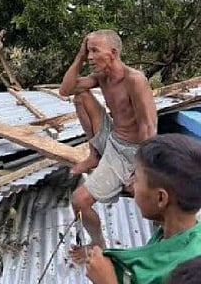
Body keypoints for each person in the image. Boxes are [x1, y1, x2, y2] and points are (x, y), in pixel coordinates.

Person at [58, 29, 157, 259]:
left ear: (112, 53)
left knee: (79, 200)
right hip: (113, 139)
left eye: (94, 51)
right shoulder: (102, 76)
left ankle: (99, 246)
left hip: (132, 151)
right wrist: (79, 57)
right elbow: (65, 90)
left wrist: (141, 172)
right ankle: (95, 154)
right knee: (80, 96)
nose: (90, 56)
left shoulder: (135, 80)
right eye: (88, 51)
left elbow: (149, 128)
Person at [86, 134, 201, 284]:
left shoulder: (186, 273)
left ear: (160, 198)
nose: (130, 182)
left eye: (136, 178)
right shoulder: (172, 234)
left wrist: (107, 281)